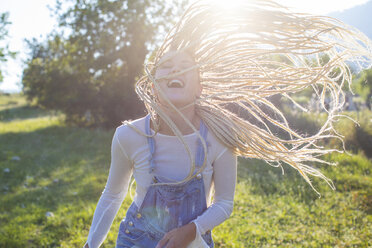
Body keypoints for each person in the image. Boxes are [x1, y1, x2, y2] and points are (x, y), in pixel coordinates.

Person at [84, 0, 372, 247]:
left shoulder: (218, 136)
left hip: (194, 242)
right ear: (154, 87)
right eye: (167, 67)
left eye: (185, 67)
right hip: (137, 241)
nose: (175, 69)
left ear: (199, 87)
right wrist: (90, 244)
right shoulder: (129, 135)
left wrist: (191, 231)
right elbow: (113, 194)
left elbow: (224, 204)